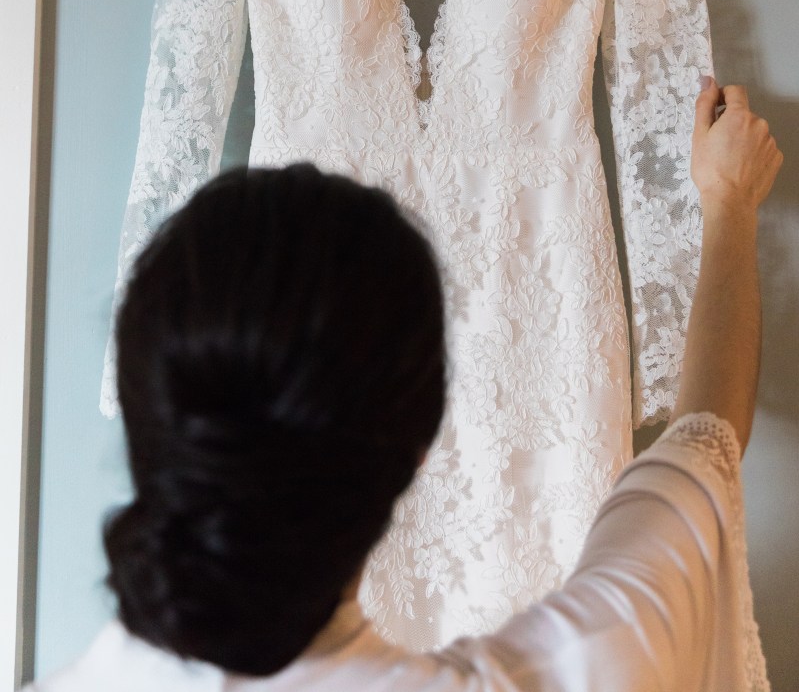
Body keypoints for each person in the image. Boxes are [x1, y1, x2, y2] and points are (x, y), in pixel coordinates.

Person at [28, 78, 783, 691]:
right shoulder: (566, 671)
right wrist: (727, 204)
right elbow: (701, 445)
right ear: (420, 445)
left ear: (144, 418)